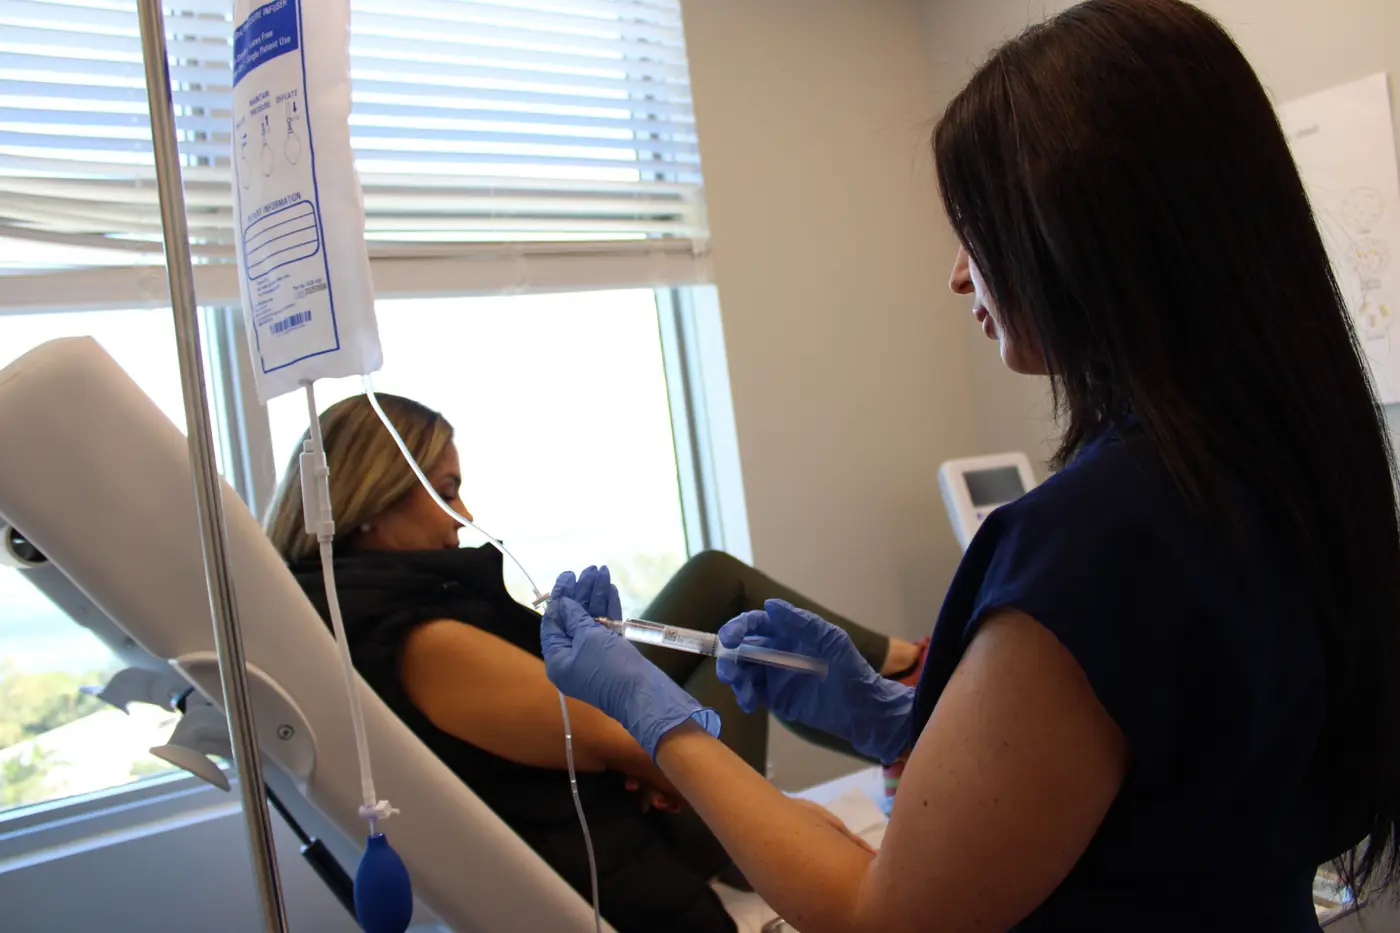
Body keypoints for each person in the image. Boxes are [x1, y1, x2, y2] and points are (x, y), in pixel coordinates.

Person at [540, 2, 1400, 931]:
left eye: (976, 230)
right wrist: (909, 724)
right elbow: (1176, 777)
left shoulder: (1096, 537)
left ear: (1083, 232)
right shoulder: (1285, 466)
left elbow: (884, 917)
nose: (959, 275)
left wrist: (659, 720)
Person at [262, 392, 926, 933]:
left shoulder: (361, 606)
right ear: (371, 501)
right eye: (446, 490)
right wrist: (788, 818)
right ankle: (907, 688)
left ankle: (897, 688)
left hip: (631, 791)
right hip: (661, 825)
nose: (463, 516)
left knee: (715, 579)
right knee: (742, 641)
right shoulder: (425, 640)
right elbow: (620, 735)